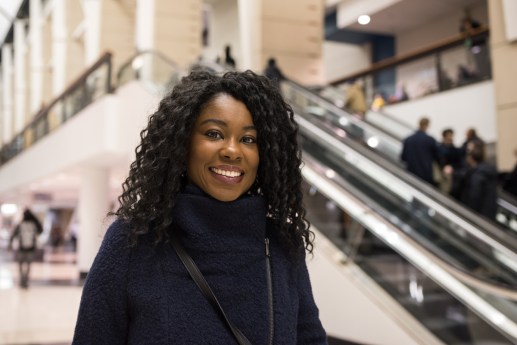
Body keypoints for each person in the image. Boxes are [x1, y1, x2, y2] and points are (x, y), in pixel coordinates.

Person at [72, 70, 327, 344]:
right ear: (183, 143)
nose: (232, 150)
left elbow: (309, 337)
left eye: (248, 139)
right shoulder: (132, 241)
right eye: (214, 133)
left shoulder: (282, 244)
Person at [454, 143, 498, 220]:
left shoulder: (477, 176)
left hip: (478, 217)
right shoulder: (487, 170)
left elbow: (474, 197)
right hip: (488, 214)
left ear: (470, 158)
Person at [8, 208, 43, 288]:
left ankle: (22, 279)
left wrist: (10, 244)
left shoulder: (20, 224)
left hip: (22, 248)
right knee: (28, 265)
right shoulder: (33, 225)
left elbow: (13, 235)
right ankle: (25, 280)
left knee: (21, 265)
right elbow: (40, 231)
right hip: (30, 248)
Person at [401, 117, 439, 186]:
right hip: (425, 174)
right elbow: (436, 157)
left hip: (410, 172)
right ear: (427, 125)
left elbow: (403, 157)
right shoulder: (430, 140)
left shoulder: (408, 139)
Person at [437, 128, 463, 193]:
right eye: (449, 135)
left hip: (451, 176)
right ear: (444, 136)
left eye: (451, 135)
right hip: (440, 175)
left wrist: (451, 167)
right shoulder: (438, 148)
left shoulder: (455, 150)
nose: (451, 137)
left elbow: (459, 164)